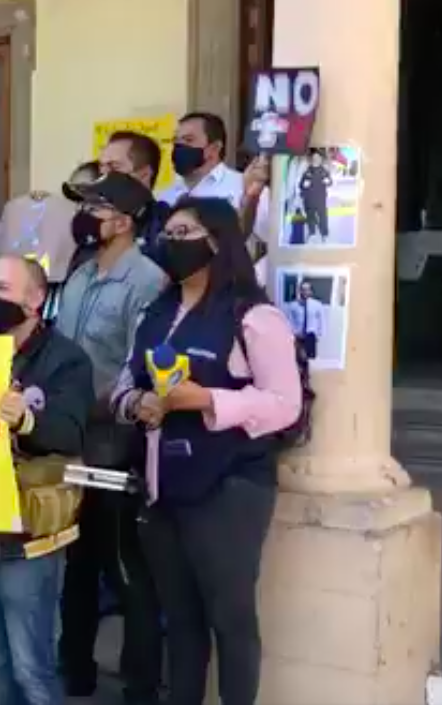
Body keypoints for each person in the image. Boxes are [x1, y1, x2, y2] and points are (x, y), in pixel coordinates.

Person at [112, 197, 302, 705]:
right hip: (163, 485)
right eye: (167, 234)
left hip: (229, 486)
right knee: (181, 619)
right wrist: (138, 404)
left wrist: (207, 400)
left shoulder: (253, 317)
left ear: (217, 243)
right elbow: (123, 385)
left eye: (184, 234)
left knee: (230, 618)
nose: (171, 244)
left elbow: (285, 403)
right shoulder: (156, 312)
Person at [0, 255, 94, 705]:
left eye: (1, 288)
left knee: (32, 668)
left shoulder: (67, 360)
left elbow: (70, 432)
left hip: (28, 536)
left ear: (35, 299)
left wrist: (27, 421)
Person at [53, 173, 167, 704]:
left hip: (116, 445)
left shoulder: (146, 281)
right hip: (71, 443)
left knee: (125, 569)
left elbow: (136, 366)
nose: (85, 217)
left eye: (95, 208)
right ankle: (75, 672)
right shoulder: (79, 274)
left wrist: (90, 404)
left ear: (123, 221)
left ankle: (140, 687)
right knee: (76, 566)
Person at [159, 113, 270, 253]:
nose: (179, 147)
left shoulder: (246, 187)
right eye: (176, 141)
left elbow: (275, 240)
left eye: (188, 140)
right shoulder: (167, 196)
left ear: (215, 148)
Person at [285, 280, 325, 360]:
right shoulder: (293, 305)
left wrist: (319, 335)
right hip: (298, 336)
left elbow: (322, 321)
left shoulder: (317, 305)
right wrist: (291, 335)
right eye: (303, 289)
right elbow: (289, 322)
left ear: (311, 291)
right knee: (298, 359)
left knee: (309, 360)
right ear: (299, 291)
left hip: (310, 336)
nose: (305, 292)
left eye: (307, 289)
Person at [299, 150, 333, 241]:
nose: (316, 159)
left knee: (323, 216)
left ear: (321, 159)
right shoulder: (307, 171)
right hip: (309, 198)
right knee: (310, 216)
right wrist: (304, 185)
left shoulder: (324, 171)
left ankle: (324, 233)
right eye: (314, 157)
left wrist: (328, 181)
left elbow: (330, 182)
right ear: (312, 159)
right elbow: (301, 184)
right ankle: (312, 232)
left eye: (318, 157)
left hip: (320, 198)